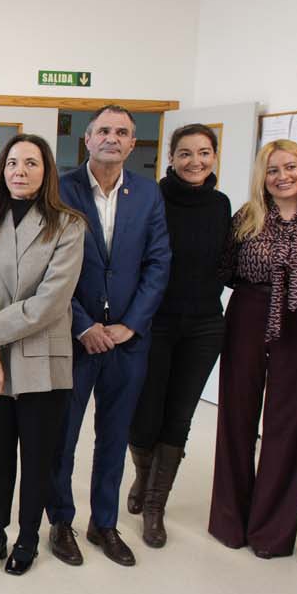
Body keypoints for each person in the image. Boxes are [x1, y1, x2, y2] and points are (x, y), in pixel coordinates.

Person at [48, 105, 171, 567]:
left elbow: (159, 264)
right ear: (87, 139)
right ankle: (61, 521)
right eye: (104, 130)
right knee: (64, 435)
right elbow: (49, 266)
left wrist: (129, 324)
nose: (112, 138)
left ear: (132, 143)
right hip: (73, 336)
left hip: (127, 340)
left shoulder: (147, 194)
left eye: (122, 132)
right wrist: (83, 324)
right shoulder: (61, 187)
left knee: (114, 436)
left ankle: (104, 523)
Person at [0, 134, 85, 576]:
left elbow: (51, 301)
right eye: (13, 162)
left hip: (42, 360)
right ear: (2, 170)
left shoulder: (68, 225)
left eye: (31, 163)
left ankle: (28, 536)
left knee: (37, 456)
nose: (20, 171)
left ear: (46, 171)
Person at [209, 140, 297, 558]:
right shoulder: (245, 218)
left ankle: (272, 532)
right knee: (237, 417)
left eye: (290, 166)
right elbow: (224, 270)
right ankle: (230, 522)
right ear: (261, 177)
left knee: (289, 424)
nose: (282, 176)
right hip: (248, 311)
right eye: (272, 169)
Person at [125, 124, 231, 548]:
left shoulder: (222, 205)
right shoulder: (152, 199)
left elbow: (226, 262)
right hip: (155, 322)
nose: (195, 162)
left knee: (180, 416)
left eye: (204, 153)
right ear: (170, 158)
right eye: (185, 153)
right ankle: (141, 475)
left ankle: (154, 507)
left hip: (204, 325)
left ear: (215, 156)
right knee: (145, 412)